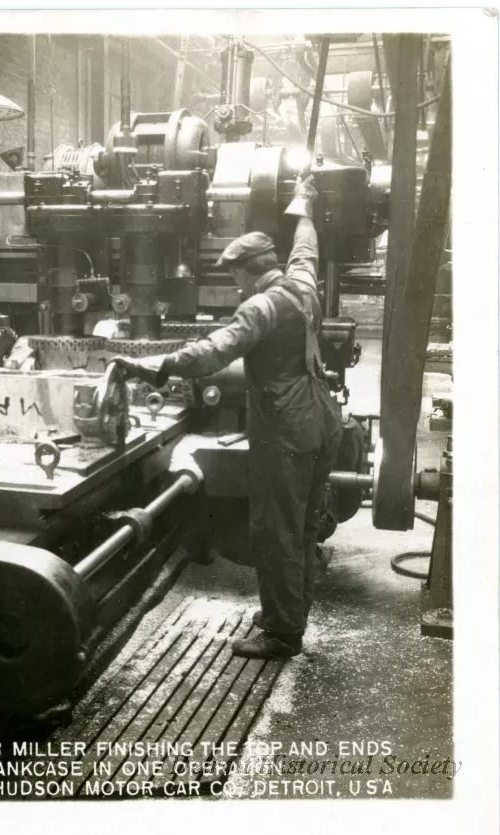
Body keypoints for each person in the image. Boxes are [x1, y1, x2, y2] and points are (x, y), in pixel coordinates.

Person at [111, 176, 343, 660]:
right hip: (322, 418)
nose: (234, 284)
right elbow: (307, 245)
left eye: (234, 275)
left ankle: (281, 632)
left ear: (245, 271)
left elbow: (213, 352)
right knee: (303, 526)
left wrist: (152, 365)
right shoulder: (302, 284)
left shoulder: (260, 306)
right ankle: (289, 610)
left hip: (286, 428)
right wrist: (304, 203)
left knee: (276, 530)